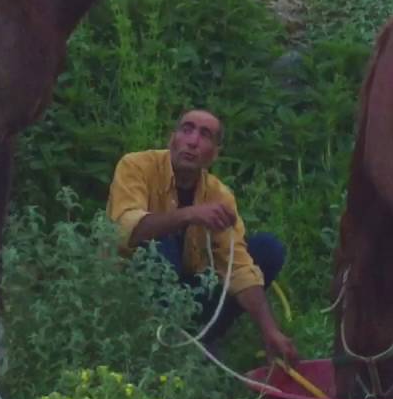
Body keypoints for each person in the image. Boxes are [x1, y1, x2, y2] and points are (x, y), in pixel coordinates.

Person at [107, 108, 299, 364]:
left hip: (189, 287)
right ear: (172, 139)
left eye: (205, 135)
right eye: (186, 129)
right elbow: (125, 229)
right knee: (159, 244)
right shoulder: (135, 166)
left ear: (214, 154)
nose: (193, 141)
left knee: (267, 250)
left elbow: (238, 266)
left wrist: (270, 330)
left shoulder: (220, 194)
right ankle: (160, 340)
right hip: (133, 286)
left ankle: (204, 335)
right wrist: (190, 214)